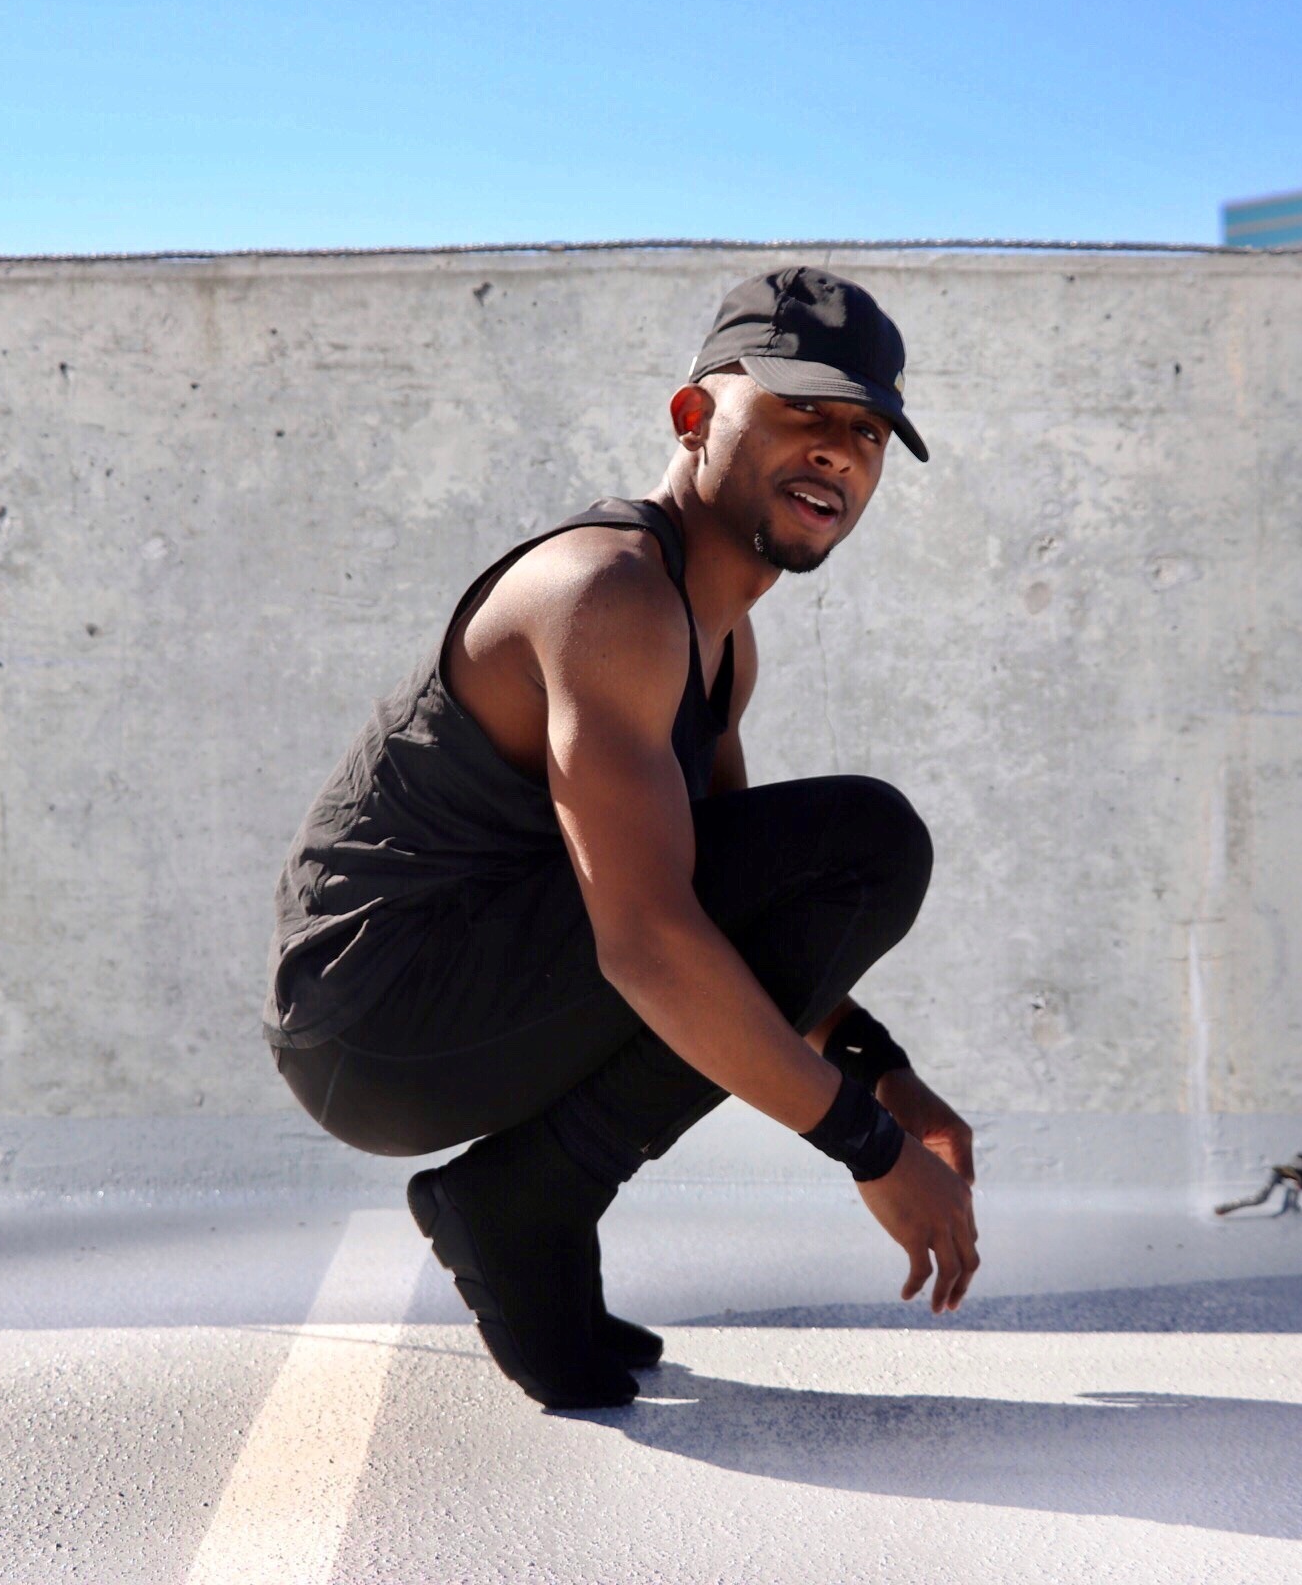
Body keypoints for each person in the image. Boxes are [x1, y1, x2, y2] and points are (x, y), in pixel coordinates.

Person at [262, 267, 980, 1410]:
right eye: (800, 409)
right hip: (371, 1016)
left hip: (453, 990)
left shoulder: (722, 644)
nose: (838, 451)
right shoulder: (608, 596)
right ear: (694, 416)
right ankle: (525, 1205)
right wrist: (869, 1148)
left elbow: (743, 919)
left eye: (867, 431)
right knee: (873, 842)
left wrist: (890, 1079)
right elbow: (650, 942)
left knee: (846, 858)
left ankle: (528, 1206)